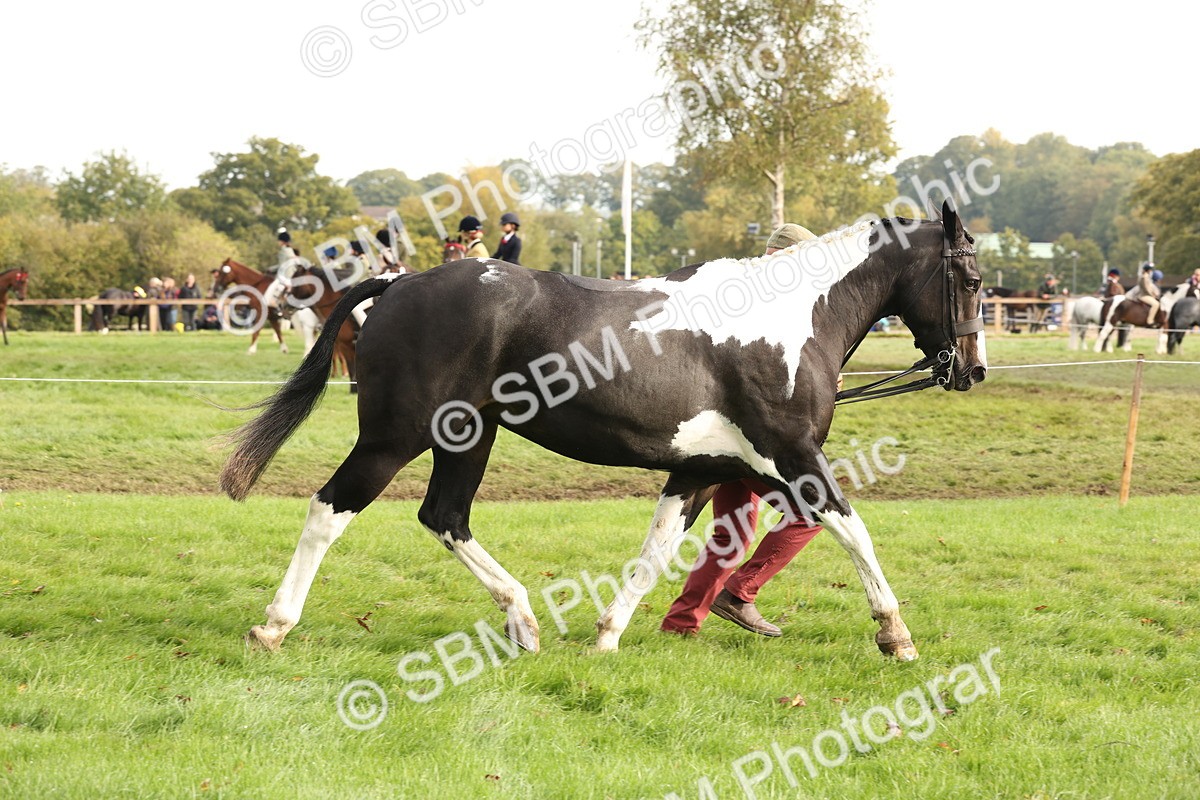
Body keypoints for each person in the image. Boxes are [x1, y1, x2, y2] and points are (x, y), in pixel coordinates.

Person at [660, 222, 825, 638]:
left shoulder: (741, 289)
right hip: (749, 439)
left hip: (721, 435)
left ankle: (680, 624)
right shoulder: (770, 300)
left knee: (733, 532)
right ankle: (739, 593)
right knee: (811, 511)